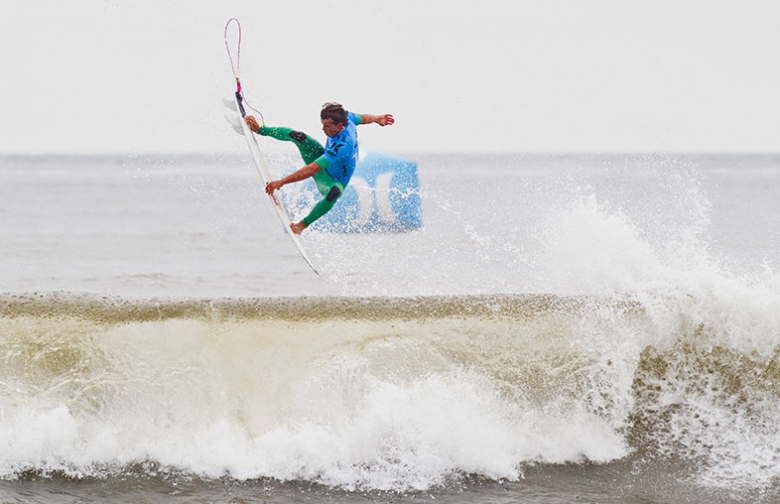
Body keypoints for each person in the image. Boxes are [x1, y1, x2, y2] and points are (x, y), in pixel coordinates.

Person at [245, 103, 394, 234]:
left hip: (330, 181)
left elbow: (312, 169)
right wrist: (377, 118)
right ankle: (260, 130)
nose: (323, 129)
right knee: (299, 136)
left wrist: (281, 182)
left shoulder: (344, 146)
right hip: (321, 156)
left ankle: (301, 225)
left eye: (327, 126)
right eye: (322, 124)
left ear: (340, 126)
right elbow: (362, 118)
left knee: (334, 193)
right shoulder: (348, 118)